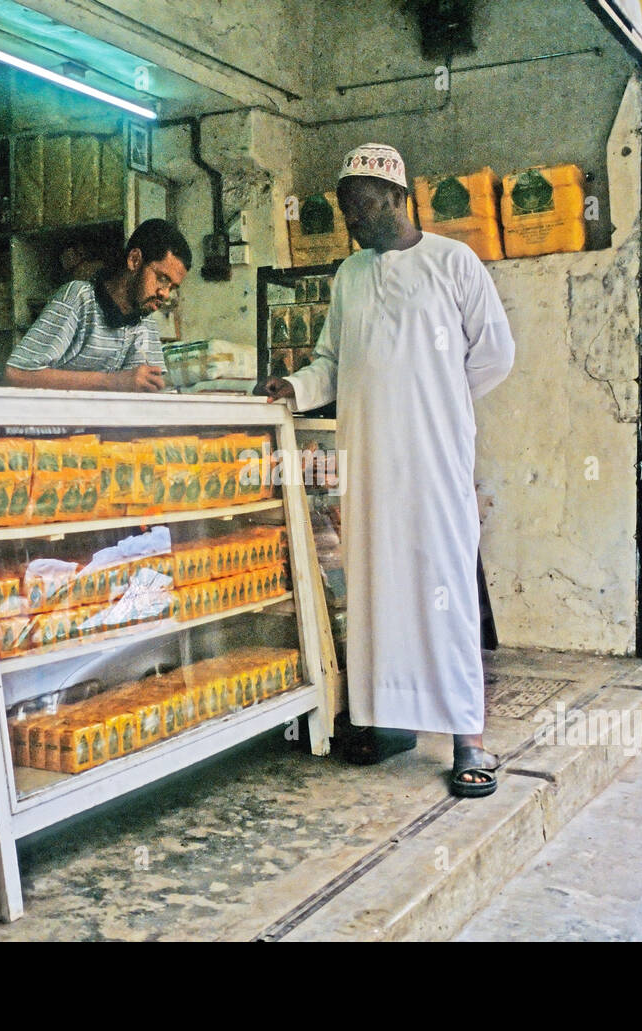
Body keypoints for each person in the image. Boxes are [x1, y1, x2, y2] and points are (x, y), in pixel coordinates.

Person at [262, 143, 516, 798]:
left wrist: (438, 400)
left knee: (445, 586)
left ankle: (468, 739)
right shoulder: (349, 276)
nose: (354, 222)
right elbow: (333, 362)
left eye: (365, 207)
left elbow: (495, 354)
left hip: (433, 460)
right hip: (369, 460)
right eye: (347, 210)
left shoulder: (453, 263)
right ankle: (382, 720)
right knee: (377, 589)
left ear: (400, 199)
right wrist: (293, 387)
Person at [4, 219, 191, 392]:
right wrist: (114, 381)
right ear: (134, 260)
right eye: (162, 279)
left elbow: (147, 392)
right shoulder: (79, 298)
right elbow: (16, 374)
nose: (165, 294)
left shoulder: (144, 319)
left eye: (172, 287)